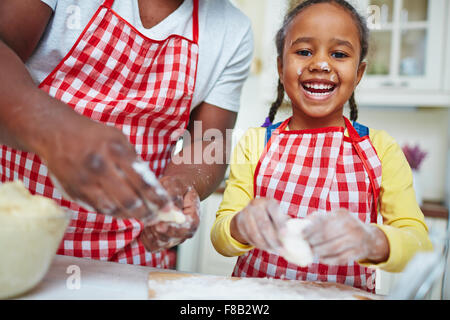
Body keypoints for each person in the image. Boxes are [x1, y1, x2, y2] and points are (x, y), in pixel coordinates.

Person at [0, 0, 253, 268]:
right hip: (12, 234)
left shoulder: (232, 30)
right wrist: (54, 130)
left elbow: (207, 139)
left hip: (131, 255)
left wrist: (182, 184)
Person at [211, 0, 432, 293]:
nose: (320, 64)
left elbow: (420, 244)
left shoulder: (380, 150)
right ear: (280, 66)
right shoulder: (256, 143)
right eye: (303, 52)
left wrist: (372, 240)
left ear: (359, 73)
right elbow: (220, 235)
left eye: (339, 54)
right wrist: (239, 225)